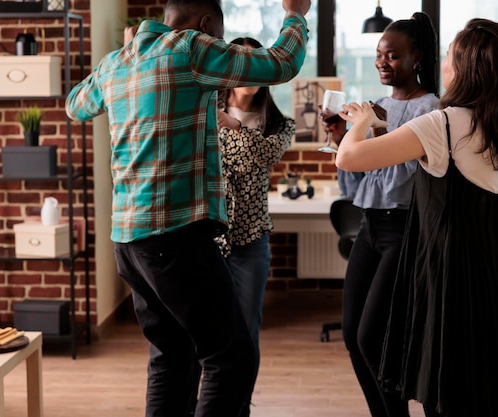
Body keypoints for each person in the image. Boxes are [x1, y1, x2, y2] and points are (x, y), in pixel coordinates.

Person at [65, 1, 311, 416]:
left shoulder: (116, 62)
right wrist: (296, 12)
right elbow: (282, 62)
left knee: (171, 353)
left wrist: (127, 55)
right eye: (217, 34)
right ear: (206, 23)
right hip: (174, 238)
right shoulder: (191, 48)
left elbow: (75, 105)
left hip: (128, 242)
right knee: (230, 356)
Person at [336, 18, 498, 417]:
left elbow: (349, 157)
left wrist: (361, 120)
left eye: (450, 53)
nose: (444, 61)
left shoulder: (442, 125)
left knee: (448, 397)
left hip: (453, 289)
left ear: (467, 68)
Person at [322, 12, 439, 417]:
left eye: (392, 55)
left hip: (405, 231)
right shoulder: (378, 107)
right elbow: (359, 183)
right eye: (378, 55)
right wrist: (343, 141)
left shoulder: (433, 110)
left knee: (374, 337)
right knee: (353, 335)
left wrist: (372, 133)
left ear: (417, 57)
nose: (382, 62)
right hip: (370, 228)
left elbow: (404, 173)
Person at [215, 36, 295, 417]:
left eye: (256, 64)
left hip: (250, 241)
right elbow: (247, 154)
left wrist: (229, 126)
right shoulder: (202, 108)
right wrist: (239, 136)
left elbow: (256, 157)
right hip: (208, 239)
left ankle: (239, 406)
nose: (249, 72)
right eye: (241, 62)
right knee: (210, 332)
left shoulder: (280, 124)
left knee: (246, 332)